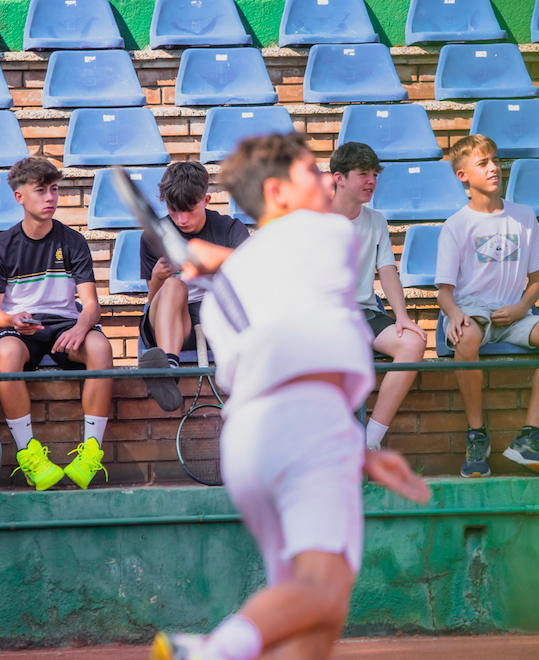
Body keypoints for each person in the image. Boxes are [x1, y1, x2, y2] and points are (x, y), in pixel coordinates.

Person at [150, 133, 430, 660]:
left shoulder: (232, 287)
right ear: (277, 192)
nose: (325, 179)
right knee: (323, 590)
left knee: (314, 616)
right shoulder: (326, 231)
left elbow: (292, 355)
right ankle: (210, 652)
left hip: (251, 441)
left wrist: (358, 454)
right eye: (309, 171)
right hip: (306, 428)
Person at [435, 134, 539, 478]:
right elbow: (444, 292)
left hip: (514, 311)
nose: (494, 168)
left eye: (495, 160)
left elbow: (536, 281)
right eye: (482, 163)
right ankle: (477, 436)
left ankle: (529, 438)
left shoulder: (523, 216)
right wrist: (456, 314)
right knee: (466, 337)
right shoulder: (456, 225)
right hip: (472, 310)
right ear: (463, 175)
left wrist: (522, 308)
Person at [0, 157, 114, 491]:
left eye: (54, 189)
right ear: (19, 197)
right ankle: (30, 456)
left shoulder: (73, 241)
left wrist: (80, 328)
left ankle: (91, 455)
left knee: (100, 346)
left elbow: (91, 305)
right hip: (21, 328)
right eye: (40, 190)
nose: (50, 197)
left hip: (65, 326)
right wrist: (12, 320)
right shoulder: (1, 245)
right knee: (7, 352)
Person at [329, 142, 427, 452]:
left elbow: (387, 271)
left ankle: (370, 441)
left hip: (365, 315)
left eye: (374, 174)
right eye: (363, 174)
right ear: (339, 178)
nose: (371, 181)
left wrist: (402, 317)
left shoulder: (376, 220)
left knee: (413, 342)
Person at [138, 161, 250, 411]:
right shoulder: (153, 237)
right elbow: (152, 301)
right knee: (173, 286)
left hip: (219, 318)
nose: (182, 220)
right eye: (173, 210)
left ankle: (168, 371)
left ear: (206, 200)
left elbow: (248, 283)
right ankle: (168, 369)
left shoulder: (230, 230)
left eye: (189, 210)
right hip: (171, 321)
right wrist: (157, 279)